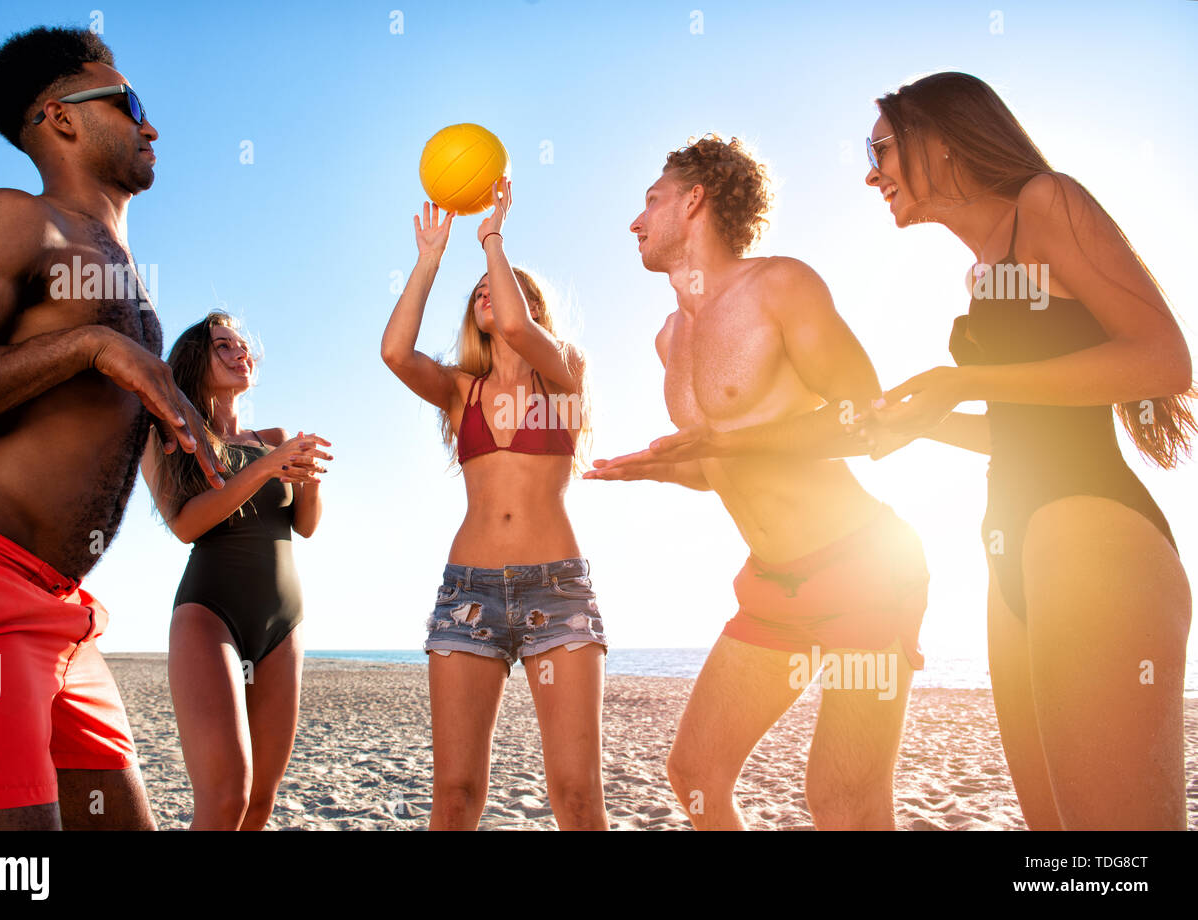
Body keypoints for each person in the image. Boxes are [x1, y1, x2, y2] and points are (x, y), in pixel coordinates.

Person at [0, 26, 225, 830]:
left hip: (63, 606)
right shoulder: (15, 221)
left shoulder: (117, 263)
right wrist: (86, 346)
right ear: (62, 117)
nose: (151, 126)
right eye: (130, 104)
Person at [862, 72, 1193, 829]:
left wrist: (964, 378)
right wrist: (918, 422)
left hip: (1092, 534)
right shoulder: (982, 271)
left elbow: (1164, 359)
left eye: (880, 148)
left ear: (940, 139)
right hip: (1009, 551)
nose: (871, 172)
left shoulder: (1048, 202)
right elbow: (1023, 429)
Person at [585, 136, 928, 830]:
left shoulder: (780, 285)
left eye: (651, 200)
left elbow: (871, 420)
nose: (635, 221)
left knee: (842, 800)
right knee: (695, 775)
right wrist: (662, 469)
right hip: (772, 585)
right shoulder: (668, 338)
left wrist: (726, 444)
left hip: (863, 569)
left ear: (694, 200)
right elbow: (721, 465)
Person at [381, 179, 608, 830]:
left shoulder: (564, 373)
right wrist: (430, 259)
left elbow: (514, 324)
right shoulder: (461, 391)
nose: (487, 291)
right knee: (455, 795)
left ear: (533, 309)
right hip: (468, 593)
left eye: (501, 285)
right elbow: (394, 352)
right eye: (478, 289)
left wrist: (492, 239)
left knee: (577, 795)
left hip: (556, 592)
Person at [141, 312, 329, 830]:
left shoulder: (274, 438)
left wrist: (310, 481)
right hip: (210, 613)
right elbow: (185, 525)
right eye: (223, 345)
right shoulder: (169, 437)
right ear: (195, 360)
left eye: (242, 345)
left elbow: (304, 527)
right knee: (227, 798)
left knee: (260, 802)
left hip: (283, 620)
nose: (239, 352)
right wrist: (267, 467)